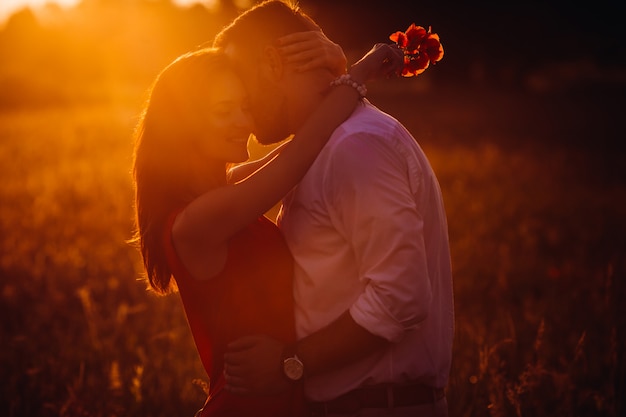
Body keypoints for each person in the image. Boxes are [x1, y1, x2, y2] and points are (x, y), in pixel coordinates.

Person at [130, 25, 405, 417]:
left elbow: (298, 147)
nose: (244, 121)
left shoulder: (225, 192)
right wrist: (358, 74)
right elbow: (301, 153)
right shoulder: (196, 221)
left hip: (280, 398)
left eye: (244, 105)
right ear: (183, 124)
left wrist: (334, 64)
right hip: (245, 405)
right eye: (224, 111)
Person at [217, 1, 455, 416]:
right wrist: (348, 72)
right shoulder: (321, 145)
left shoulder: (355, 146)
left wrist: (289, 364)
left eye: (240, 83)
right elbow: (216, 193)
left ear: (273, 62)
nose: (242, 107)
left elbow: (400, 297)